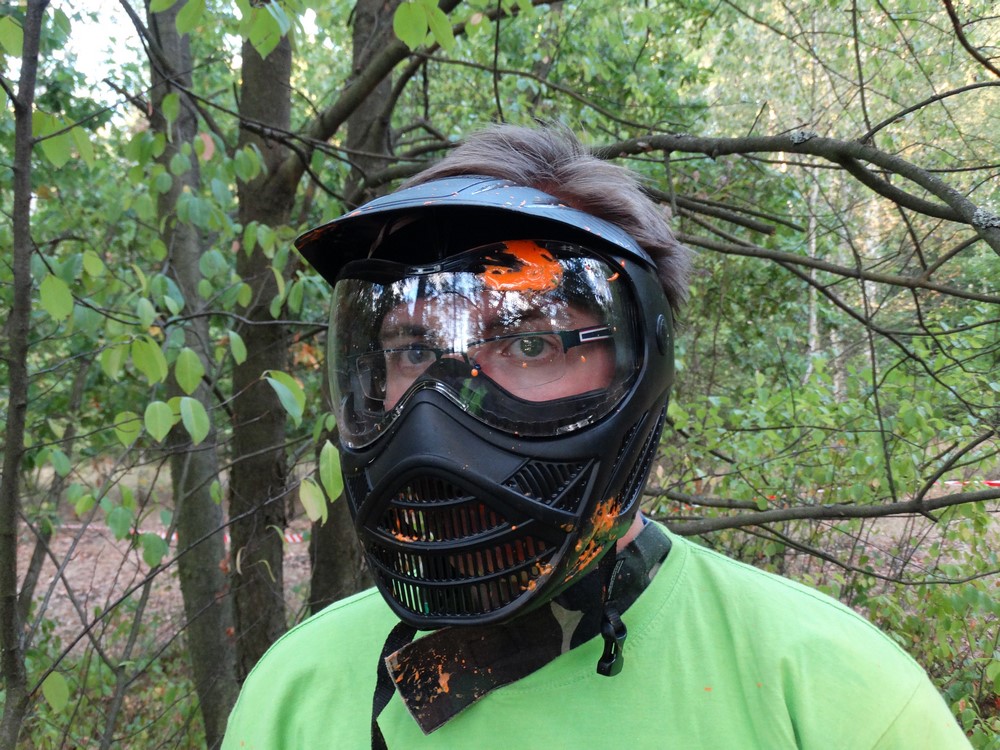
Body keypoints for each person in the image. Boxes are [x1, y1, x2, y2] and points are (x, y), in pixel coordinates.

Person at [221, 126, 970, 749]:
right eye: (413, 350)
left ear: (642, 367)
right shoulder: (298, 691)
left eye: (532, 345)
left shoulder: (831, 692)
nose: (442, 408)